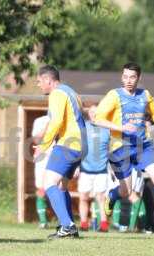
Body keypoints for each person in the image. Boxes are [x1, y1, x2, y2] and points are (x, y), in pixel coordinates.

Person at [95, 62, 154, 233]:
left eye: (132, 77)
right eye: (125, 76)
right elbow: (97, 119)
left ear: (139, 78)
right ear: (122, 77)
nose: (128, 80)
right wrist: (121, 128)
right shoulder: (114, 95)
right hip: (120, 148)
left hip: (143, 146)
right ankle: (112, 197)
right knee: (125, 191)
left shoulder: (145, 95)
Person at [34, 65, 86, 239]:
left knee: (48, 183)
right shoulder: (71, 92)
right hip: (82, 144)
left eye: (39, 81)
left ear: (49, 80)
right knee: (62, 186)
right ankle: (70, 227)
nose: (38, 84)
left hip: (68, 143)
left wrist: (44, 144)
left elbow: (56, 121)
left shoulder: (56, 94)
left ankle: (67, 225)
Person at [77, 105, 110, 232]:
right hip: (85, 168)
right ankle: (84, 224)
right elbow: (78, 147)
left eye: (96, 112)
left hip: (101, 169)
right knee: (83, 197)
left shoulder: (107, 128)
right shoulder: (84, 127)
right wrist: (76, 166)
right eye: (91, 112)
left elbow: (112, 148)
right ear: (88, 114)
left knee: (100, 198)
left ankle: (103, 225)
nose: (93, 114)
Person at [32, 114, 51, 228]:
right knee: (41, 190)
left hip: (57, 156)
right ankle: (43, 221)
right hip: (42, 157)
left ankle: (65, 222)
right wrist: (48, 126)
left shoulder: (64, 119)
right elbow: (36, 139)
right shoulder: (40, 121)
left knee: (58, 190)